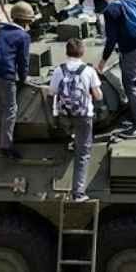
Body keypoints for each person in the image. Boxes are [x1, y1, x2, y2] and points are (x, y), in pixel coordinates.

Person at [48, 38, 103, 201]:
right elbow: (98, 96)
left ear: (66, 52)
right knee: (83, 154)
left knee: (71, 133)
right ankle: (78, 192)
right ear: (83, 52)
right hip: (84, 115)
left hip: (65, 115)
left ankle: (71, 139)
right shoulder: (88, 71)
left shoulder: (59, 70)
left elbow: (51, 92)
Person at [97, 0, 136, 139]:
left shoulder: (111, 10)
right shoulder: (129, 1)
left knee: (131, 86)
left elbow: (111, 40)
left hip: (129, 51)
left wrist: (102, 62)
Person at [0, 1, 34, 160]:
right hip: (4, 74)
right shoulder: (24, 36)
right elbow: (23, 61)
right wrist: (24, 79)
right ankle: (6, 145)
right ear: (27, 22)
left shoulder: (3, 30)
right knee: (10, 109)